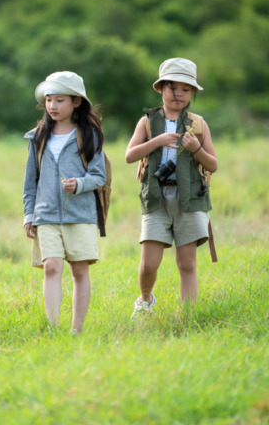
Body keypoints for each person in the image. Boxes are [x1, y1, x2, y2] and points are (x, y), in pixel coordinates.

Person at [125, 58, 217, 316]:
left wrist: (195, 148)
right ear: (161, 88)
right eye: (172, 87)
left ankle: (189, 317)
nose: (178, 93)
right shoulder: (146, 121)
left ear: (192, 93)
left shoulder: (198, 124)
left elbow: (213, 164)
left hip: (190, 198)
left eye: (185, 89)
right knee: (149, 263)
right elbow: (130, 156)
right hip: (156, 196)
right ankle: (145, 301)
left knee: (186, 263)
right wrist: (157, 141)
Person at [22, 71, 106, 334]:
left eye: (60, 100)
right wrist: (28, 215)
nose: (52, 106)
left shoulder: (89, 134)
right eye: (49, 100)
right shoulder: (37, 136)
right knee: (51, 266)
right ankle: (53, 328)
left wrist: (78, 184)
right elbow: (30, 181)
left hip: (81, 214)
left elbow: (99, 176)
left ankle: (77, 330)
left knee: (80, 271)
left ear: (76, 102)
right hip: (46, 214)